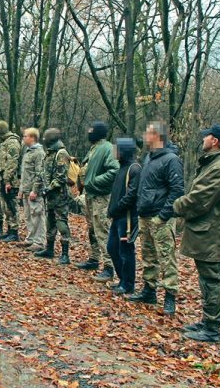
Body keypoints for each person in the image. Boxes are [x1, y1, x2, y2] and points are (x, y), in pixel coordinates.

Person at [174, 124, 220, 343]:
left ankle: (212, 328)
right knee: (207, 279)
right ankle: (208, 321)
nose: (202, 140)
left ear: (215, 142)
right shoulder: (217, 163)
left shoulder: (219, 167)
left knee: (211, 280)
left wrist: (175, 206)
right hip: (209, 232)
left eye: (206, 137)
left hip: (212, 234)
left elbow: (199, 200)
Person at [129, 121, 184, 315]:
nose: (144, 136)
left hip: (161, 217)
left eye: (148, 133)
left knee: (166, 257)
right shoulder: (148, 158)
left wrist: (163, 216)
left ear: (157, 136)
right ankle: (149, 290)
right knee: (148, 255)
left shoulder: (171, 160)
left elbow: (177, 190)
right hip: (145, 215)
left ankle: (170, 296)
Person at [77, 121, 119, 281]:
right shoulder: (93, 148)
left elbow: (115, 170)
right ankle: (94, 259)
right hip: (90, 195)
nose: (89, 133)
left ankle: (109, 267)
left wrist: (93, 181)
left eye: (91, 131)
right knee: (92, 229)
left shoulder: (109, 148)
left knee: (103, 230)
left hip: (102, 197)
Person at [106, 138, 141, 294]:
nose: (114, 152)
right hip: (117, 217)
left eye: (117, 149)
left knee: (126, 251)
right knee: (112, 247)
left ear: (124, 151)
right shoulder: (121, 168)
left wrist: (117, 208)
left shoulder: (134, 169)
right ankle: (122, 279)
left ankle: (128, 284)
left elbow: (131, 195)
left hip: (127, 218)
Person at [35, 128, 72, 264]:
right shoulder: (49, 153)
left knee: (61, 223)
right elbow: (43, 173)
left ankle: (65, 254)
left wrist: (48, 189)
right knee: (49, 222)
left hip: (59, 196)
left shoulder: (61, 154)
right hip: (49, 196)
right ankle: (49, 249)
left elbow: (61, 177)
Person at [18, 128, 46, 251]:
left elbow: (40, 173)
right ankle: (30, 239)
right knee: (28, 216)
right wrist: (21, 189)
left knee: (37, 216)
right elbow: (24, 173)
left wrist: (35, 190)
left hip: (34, 191)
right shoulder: (27, 152)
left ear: (32, 138)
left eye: (25, 136)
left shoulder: (39, 153)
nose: (23, 138)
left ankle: (39, 242)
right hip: (26, 190)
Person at [0, 120, 22, 241]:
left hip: (11, 180)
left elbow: (12, 162)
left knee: (11, 206)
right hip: (3, 179)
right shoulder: (4, 142)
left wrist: (7, 180)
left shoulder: (12, 142)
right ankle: (9, 229)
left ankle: (14, 231)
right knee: (5, 206)